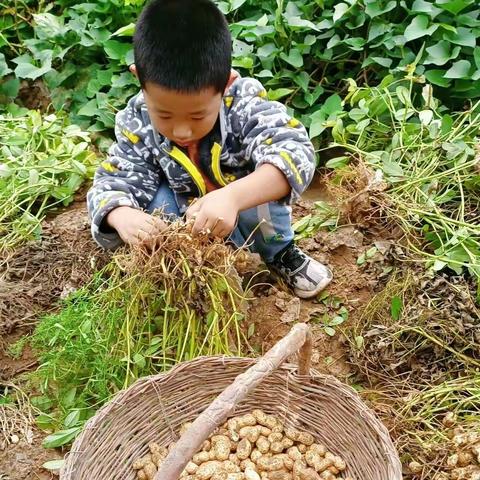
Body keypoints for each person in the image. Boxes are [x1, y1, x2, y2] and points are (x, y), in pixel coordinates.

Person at [87, 0, 332, 299]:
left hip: (245, 211)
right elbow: (112, 181)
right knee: (147, 200)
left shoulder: (244, 105)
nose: (181, 130)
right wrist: (121, 215)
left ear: (225, 84)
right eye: (163, 114)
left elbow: (295, 151)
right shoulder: (135, 121)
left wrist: (233, 196)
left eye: (196, 116)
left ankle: (281, 254)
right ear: (139, 78)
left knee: (265, 190)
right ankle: (181, 269)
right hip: (185, 221)